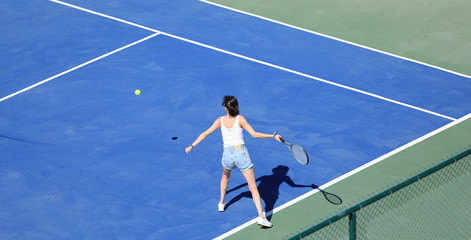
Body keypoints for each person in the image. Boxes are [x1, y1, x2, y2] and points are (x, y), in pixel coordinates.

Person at [185, 95, 282, 228]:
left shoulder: (220, 120)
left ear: (225, 108)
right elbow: (254, 134)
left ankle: (221, 203)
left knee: (225, 176)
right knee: (253, 187)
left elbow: (206, 133)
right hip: (241, 154)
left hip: (227, 155)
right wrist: (273, 136)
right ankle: (261, 217)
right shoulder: (240, 119)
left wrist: (192, 145)